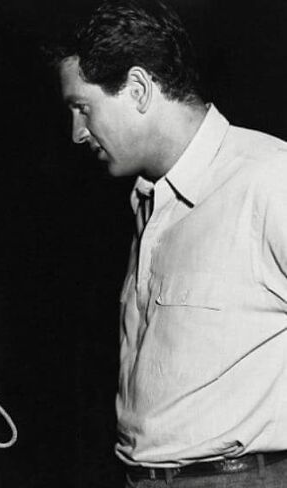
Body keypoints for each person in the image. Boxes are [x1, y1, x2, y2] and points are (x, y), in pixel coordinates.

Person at [50, 0, 287, 486]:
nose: (77, 133)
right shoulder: (148, 202)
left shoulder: (268, 179)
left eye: (82, 108)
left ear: (138, 89)